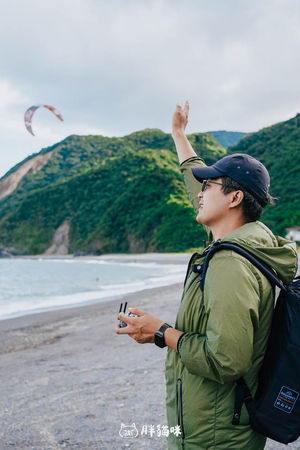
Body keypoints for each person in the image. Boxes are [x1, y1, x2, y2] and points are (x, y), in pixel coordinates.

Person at [116, 102, 298, 449]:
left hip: (216, 436)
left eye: (209, 187)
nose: (199, 194)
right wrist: (179, 135)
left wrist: (161, 332)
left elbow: (226, 359)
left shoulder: (230, 262)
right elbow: (195, 185)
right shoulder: (246, 241)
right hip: (218, 425)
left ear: (235, 198)